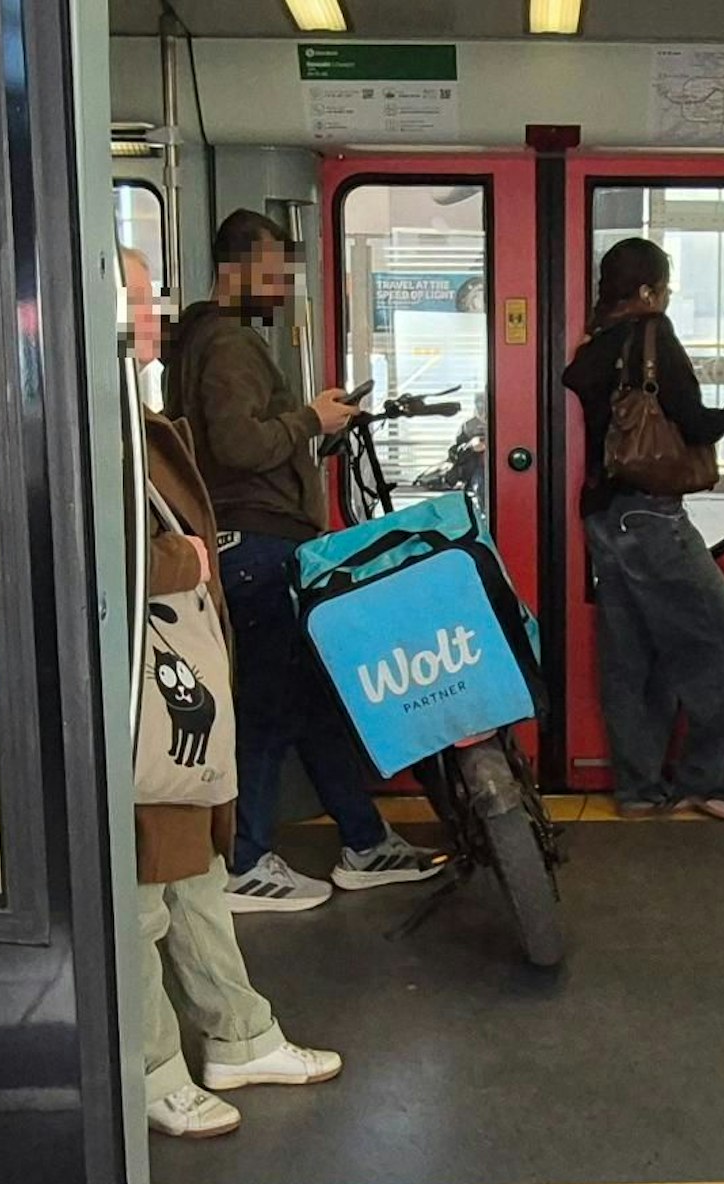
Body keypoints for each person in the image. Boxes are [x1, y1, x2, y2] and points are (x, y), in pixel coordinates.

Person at [164, 210, 446, 913]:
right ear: (235, 269)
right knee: (270, 705)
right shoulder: (228, 343)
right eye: (273, 271)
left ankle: (365, 839)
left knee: (313, 699)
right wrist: (308, 422)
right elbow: (236, 446)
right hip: (258, 545)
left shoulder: (203, 342)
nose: (284, 286)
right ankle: (247, 859)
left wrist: (311, 433)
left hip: (258, 541)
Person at [122, 247, 342, 1139]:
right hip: (140, 676)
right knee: (142, 895)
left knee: (196, 873)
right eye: (134, 294)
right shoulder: (102, 413)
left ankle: (240, 1033)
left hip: (172, 677)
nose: (151, 309)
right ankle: (152, 1066)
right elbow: (107, 553)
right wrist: (186, 560)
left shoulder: (135, 407)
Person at [563, 237, 724, 821]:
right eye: (664, 285)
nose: (667, 296)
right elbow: (696, 423)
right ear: (647, 290)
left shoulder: (594, 345)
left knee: (631, 656)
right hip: (652, 516)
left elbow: (579, 385)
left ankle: (639, 790)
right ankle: (710, 783)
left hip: (603, 517)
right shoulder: (654, 336)